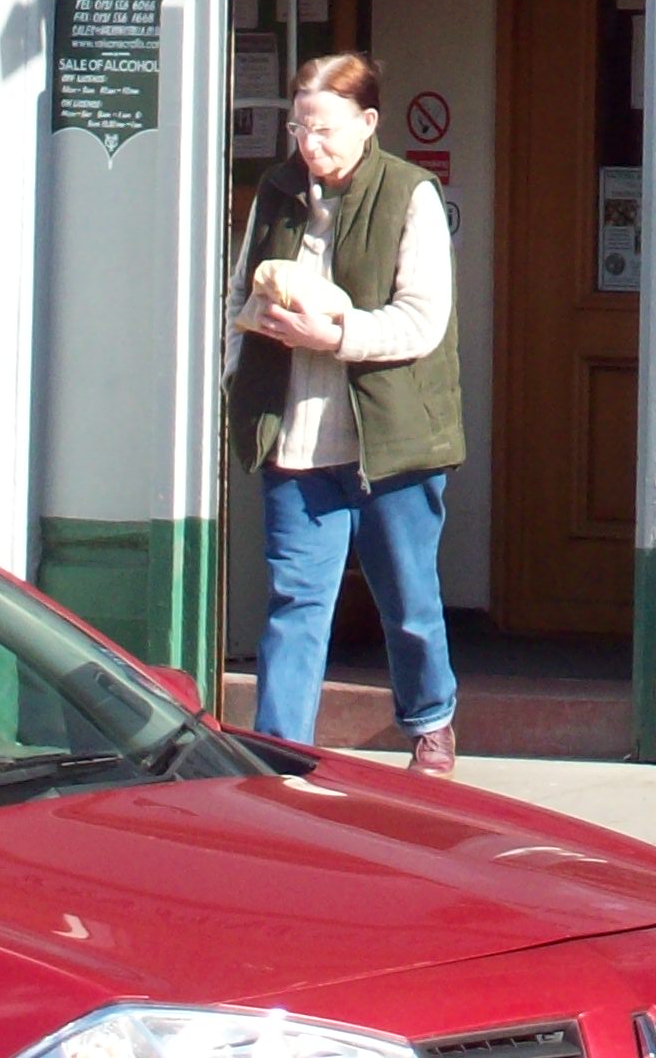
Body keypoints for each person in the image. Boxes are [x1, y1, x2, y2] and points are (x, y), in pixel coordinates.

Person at [225, 52, 462, 774]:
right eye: (299, 127)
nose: (309, 145)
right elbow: (238, 297)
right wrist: (242, 363)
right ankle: (280, 752)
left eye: (323, 129)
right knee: (296, 601)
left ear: (367, 123)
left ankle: (430, 722)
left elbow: (422, 321)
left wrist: (334, 336)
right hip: (295, 442)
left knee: (409, 598)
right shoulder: (277, 190)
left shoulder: (409, 194)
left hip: (388, 441)